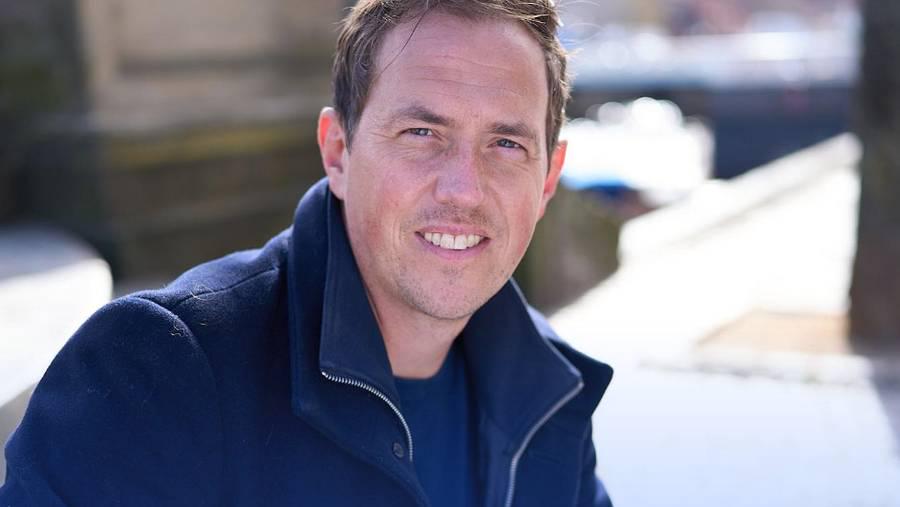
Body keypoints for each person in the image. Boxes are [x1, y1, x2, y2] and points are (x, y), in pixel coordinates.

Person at [1, 0, 614, 505]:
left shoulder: (552, 391)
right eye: (422, 132)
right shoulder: (158, 371)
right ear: (338, 152)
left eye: (506, 144)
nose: (463, 189)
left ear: (547, 180)